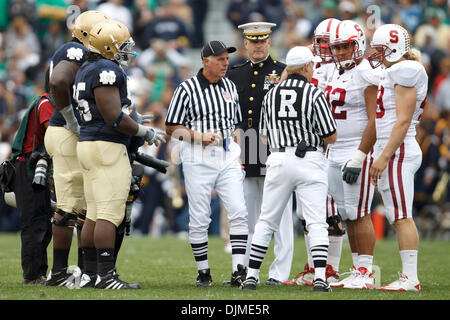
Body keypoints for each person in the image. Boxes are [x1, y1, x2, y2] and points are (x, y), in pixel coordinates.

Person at [74, 20, 165, 290]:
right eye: (123, 47)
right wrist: (142, 131)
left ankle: (91, 274)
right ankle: (107, 276)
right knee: (109, 214)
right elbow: (114, 117)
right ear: (109, 47)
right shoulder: (106, 69)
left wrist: (133, 119)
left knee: (93, 212)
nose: (127, 52)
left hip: (88, 143)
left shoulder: (87, 68)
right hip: (106, 146)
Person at [241, 46, 337, 292]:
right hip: (309, 160)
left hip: (278, 158)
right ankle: (319, 278)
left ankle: (251, 276)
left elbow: (263, 136)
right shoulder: (314, 94)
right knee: (316, 222)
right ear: (306, 67)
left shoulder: (271, 94)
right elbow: (331, 135)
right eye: (312, 65)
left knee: (266, 221)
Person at [165, 40, 249, 287]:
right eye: (221, 59)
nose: (226, 63)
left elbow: (236, 125)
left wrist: (240, 154)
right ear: (206, 61)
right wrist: (198, 137)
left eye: (226, 59)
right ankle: (203, 272)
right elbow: (171, 128)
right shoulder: (187, 89)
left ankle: (238, 272)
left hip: (227, 156)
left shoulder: (230, 87)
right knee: (200, 217)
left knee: (239, 212)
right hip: (197, 157)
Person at [44, 10, 110, 287]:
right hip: (65, 131)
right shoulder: (73, 49)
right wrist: (72, 119)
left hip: (67, 132)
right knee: (70, 207)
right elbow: (59, 82)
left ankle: (85, 273)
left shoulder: (83, 54)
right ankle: (59, 273)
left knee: (83, 206)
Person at [227, 21, 293, 286]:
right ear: (245, 44)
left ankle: (279, 273)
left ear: (269, 42)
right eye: (253, 41)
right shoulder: (234, 74)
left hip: (274, 149)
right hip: (244, 150)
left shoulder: (282, 72)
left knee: (281, 216)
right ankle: (245, 270)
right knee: (247, 216)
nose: (258, 45)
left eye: (262, 41)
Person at [284, 18, 345, 287]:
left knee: (328, 210)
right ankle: (315, 267)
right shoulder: (311, 65)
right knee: (308, 212)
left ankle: (329, 269)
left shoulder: (345, 70)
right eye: (319, 42)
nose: (321, 47)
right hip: (309, 147)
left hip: (335, 143)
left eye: (327, 43)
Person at [368, 24, 428, 292]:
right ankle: (408, 276)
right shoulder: (395, 70)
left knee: (402, 216)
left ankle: (410, 278)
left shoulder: (406, 70)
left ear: (392, 48)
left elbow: (403, 121)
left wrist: (383, 155)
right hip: (395, 147)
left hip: (399, 148)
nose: (376, 54)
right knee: (396, 215)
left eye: (380, 49)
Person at [323, 20, 380, 289]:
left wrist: (360, 155)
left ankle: (366, 273)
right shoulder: (335, 72)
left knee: (360, 213)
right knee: (347, 214)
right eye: (337, 47)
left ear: (358, 44)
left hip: (355, 148)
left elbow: (375, 120)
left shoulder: (366, 72)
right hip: (333, 150)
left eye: (346, 46)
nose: (342, 51)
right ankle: (358, 270)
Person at [10, 89, 55, 284]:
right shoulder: (46, 103)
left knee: (43, 222)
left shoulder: (46, 101)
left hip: (34, 166)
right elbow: (55, 135)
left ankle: (39, 272)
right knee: (34, 222)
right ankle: (31, 275)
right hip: (28, 166)